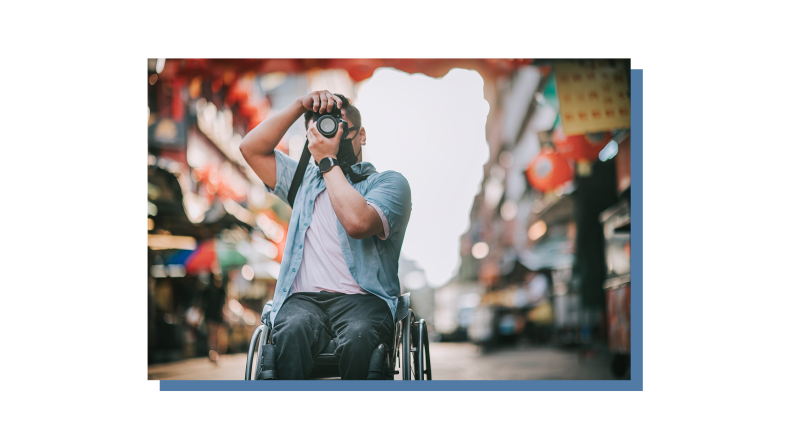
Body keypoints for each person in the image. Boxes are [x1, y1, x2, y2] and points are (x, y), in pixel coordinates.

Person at [240, 90, 411, 379]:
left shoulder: (390, 184)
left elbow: (357, 223)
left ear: (362, 135)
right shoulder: (303, 182)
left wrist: (327, 162)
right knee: (290, 332)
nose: (333, 135)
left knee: (360, 338)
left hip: (365, 300)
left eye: (340, 126)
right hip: (303, 300)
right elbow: (251, 148)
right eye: (324, 126)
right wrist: (299, 105)